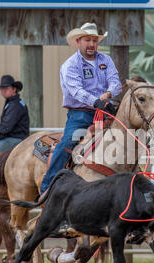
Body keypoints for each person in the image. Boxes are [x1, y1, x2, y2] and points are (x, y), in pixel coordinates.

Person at [39, 22, 121, 195]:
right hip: (80, 115)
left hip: (105, 111)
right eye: (87, 40)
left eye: (94, 40)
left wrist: (107, 94)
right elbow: (76, 91)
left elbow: (115, 81)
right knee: (68, 142)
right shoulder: (70, 65)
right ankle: (48, 187)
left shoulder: (105, 60)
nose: (91, 44)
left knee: (127, 138)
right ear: (78, 41)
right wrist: (96, 101)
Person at [0, 75, 29, 152]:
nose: (3, 91)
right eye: (2, 88)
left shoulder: (15, 105)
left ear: (14, 89)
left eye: (6, 88)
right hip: (13, 138)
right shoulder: (14, 103)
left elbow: (6, 127)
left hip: (16, 139)